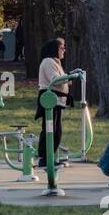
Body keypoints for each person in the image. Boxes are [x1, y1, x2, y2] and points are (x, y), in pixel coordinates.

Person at [35, 38, 69, 169]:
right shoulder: (48, 61)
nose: (64, 50)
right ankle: (44, 158)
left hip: (56, 101)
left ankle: (51, 156)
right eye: (61, 48)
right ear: (54, 49)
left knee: (56, 130)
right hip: (50, 100)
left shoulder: (56, 62)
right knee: (50, 129)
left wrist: (68, 77)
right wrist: (69, 77)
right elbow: (55, 80)